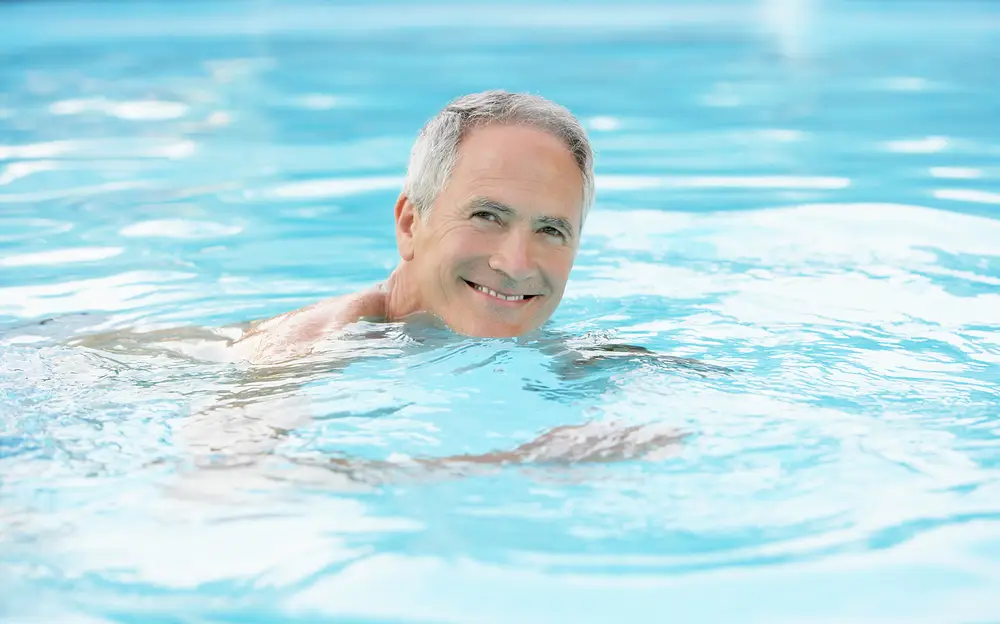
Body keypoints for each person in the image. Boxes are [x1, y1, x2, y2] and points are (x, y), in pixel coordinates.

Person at [231, 89, 595, 364]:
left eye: (550, 231)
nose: (516, 264)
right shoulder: (304, 358)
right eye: (486, 217)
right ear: (409, 224)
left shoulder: (573, 360)